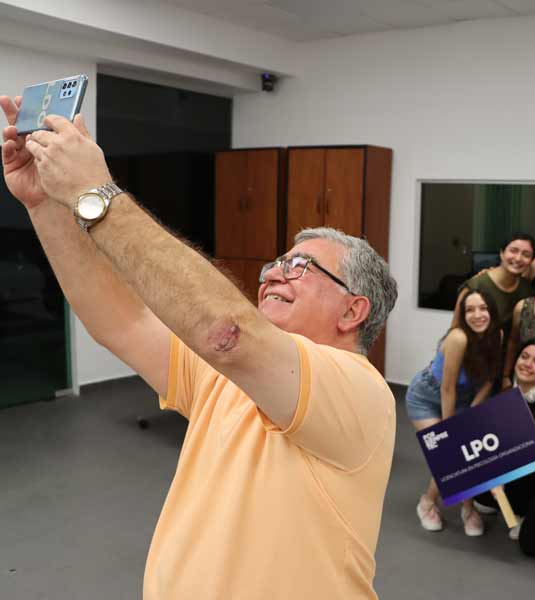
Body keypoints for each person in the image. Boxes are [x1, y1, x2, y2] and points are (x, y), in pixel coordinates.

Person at [1, 99, 398, 599]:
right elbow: (120, 322)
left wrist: (93, 193)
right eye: (275, 264)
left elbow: (226, 330)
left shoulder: (359, 392)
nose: (274, 272)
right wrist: (45, 205)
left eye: (300, 266)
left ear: (352, 312)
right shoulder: (223, 377)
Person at [407, 289, 503, 536]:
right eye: (469, 310)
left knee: (468, 453)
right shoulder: (458, 338)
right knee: (449, 454)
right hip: (427, 397)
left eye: (483, 308)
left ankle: (466, 506)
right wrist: (450, 431)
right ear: (462, 315)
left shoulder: (496, 335)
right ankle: (428, 502)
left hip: (464, 397)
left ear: (491, 311)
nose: (477, 315)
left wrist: (473, 410)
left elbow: (490, 379)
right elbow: (447, 388)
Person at [474, 339, 535, 556]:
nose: (528, 364)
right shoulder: (506, 395)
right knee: (481, 495)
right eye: (524, 357)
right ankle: (519, 509)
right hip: (523, 474)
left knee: (532, 546)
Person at [454, 232, 535, 337]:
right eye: (513, 251)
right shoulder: (476, 284)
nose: (518, 258)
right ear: (502, 253)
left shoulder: (527, 290)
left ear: (531, 261)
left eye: (526, 254)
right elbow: (455, 328)